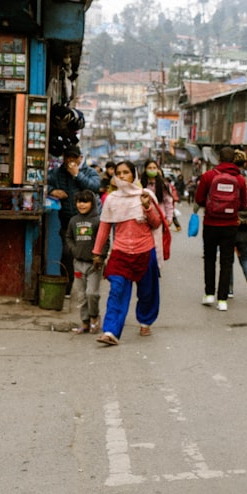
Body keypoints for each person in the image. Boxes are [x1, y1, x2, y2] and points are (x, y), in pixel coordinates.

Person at [91, 161, 164, 346]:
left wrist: (147, 208)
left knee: (148, 292)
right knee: (116, 290)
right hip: (120, 252)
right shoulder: (111, 199)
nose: (122, 176)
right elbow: (104, 227)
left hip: (145, 251)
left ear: (134, 175)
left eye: (126, 173)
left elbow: (156, 224)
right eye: (118, 173)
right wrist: (97, 252)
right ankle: (111, 331)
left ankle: (145, 321)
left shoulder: (145, 196)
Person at [194, 146, 247, 312]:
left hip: (210, 223)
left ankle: (209, 294)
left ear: (218, 159)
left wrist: (212, 206)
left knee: (209, 258)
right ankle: (222, 299)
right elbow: (243, 205)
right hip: (230, 226)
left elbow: (199, 199)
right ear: (233, 160)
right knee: (226, 261)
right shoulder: (240, 180)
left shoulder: (208, 176)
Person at [48, 147, 102, 291]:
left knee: (89, 253)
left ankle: (88, 285)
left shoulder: (89, 172)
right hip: (67, 221)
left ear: (80, 158)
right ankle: (67, 287)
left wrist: (77, 175)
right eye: (68, 157)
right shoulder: (57, 173)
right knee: (67, 253)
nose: (70, 160)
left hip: (89, 221)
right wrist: (52, 191)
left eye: (74, 157)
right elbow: (43, 181)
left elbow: (95, 187)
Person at [64, 190, 106, 335]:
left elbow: (105, 241)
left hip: (94, 264)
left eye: (85, 201)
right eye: (79, 201)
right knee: (82, 296)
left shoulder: (98, 221)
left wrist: (101, 257)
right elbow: (68, 237)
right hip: (78, 263)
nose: (81, 205)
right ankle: (85, 322)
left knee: (92, 294)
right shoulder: (74, 220)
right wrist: (73, 250)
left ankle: (95, 317)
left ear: (93, 203)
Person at [229, 149, 247, 300]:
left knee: (228, 259)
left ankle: (229, 290)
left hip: (231, 223)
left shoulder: (229, 177)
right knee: (245, 258)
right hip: (246, 224)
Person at [141, 158, 180, 237]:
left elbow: (168, 202)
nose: (152, 170)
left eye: (154, 168)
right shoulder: (140, 184)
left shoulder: (163, 185)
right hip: (144, 219)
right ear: (145, 169)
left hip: (160, 218)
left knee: (158, 244)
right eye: (149, 168)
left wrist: (169, 217)